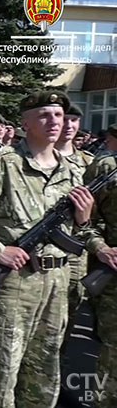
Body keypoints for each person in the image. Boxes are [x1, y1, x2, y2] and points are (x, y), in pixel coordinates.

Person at [0, 91, 95, 408]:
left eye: (59, 115)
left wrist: (83, 218)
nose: (54, 121)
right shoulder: (4, 163)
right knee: (4, 372)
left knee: (45, 370)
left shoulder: (74, 170)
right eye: (44, 115)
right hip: (15, 282)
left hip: (57, 281)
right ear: (25, 123)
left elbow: (83, 231)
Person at [53, 103, 95, 404]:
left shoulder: (90, 163)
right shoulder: (34, 157)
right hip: (40, 256)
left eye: (73, 120)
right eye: (63, 118)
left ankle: (59, 376)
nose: (68, 125)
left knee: (67, 316)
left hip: (76, 253)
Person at [83, 122, 117, 408]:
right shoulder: (106, 167)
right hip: (115, 269)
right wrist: (101, 248)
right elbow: (84, 220)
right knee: (114, 347)